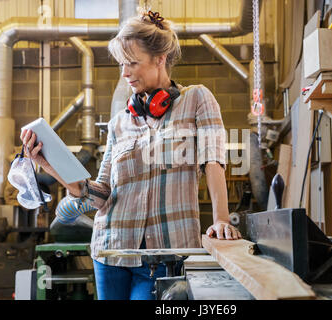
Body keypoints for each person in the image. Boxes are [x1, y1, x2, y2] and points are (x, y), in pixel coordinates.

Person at [21, 9, 241, 300]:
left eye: (132, 64)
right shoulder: (120, 122)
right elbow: (101, 195)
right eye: (121, 65)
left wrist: (221, 219)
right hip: (110, 251)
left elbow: (213, 161)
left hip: (164, 254)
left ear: (160, 59)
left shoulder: (197, 99)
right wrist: (50, 165)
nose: (124, 74)